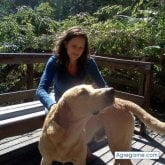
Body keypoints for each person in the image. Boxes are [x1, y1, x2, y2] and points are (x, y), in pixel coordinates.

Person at [36, 26, 108, 164]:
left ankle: (80, 148)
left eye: (81, 48)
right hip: (57, 104)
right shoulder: (54, 61)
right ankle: (50, 152)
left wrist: (103, 100)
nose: (77, 51)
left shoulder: (88, 62)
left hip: (80, 106)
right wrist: (52, 106)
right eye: (74, 46)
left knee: (90, 116)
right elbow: (40, 90)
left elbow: (103, 86)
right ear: (65, 44)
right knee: (54, 125)